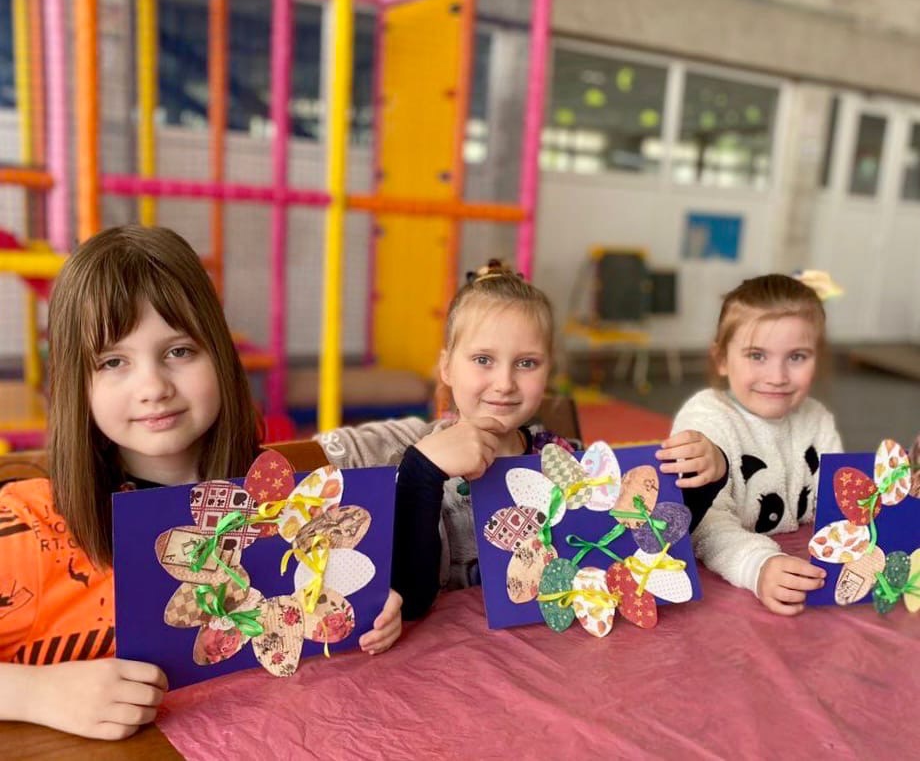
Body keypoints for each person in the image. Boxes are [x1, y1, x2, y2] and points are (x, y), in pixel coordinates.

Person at [0, 225, 401, 740]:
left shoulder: (286, 508)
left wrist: (367, 611)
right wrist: (35, 693)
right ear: (78, 383)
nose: (153, 387)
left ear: (219, 354)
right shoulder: (28, 526)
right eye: (113, 362)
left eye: (179, 352)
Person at [315, 260, 576, 618]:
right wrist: (422, 470)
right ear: (447, 367)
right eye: (483, 359)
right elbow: (411, 600)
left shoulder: (563, 461)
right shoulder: (404, 448)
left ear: (548, 372)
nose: (504, 383)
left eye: (527, 363)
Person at [656, 273, 842, 616]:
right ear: (722, 359)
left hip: (803, 575)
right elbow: (704, 525)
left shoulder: (817, 418)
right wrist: (758, 565)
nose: (777, 377)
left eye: (797, 357)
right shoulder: (705, 419)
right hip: (720, 598)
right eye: (757, 355)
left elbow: (839, 505)